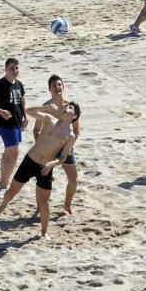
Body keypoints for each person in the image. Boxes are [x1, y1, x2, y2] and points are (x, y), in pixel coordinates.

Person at [0, 102, 80, 238]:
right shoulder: (50, 120)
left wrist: (53, 163)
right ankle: (2, 206)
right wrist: (44, 108)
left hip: (45, 167)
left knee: (44, 202)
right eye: (66, 106)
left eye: (70, 108)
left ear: (74, 115)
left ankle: (44, 232)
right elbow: (29, 111)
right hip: (30, 161)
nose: (66, 108)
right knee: (12, 191)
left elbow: (63, 157)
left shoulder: (70, 136)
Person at [33, 75, 82, 215]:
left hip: (65, 148)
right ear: (49, 89)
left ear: (63, 86)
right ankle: (39, 208)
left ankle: (67, 205)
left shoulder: (70, 107)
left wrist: (70, 145)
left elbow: (77, 130)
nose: (57, 87)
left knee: (73, 179)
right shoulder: (46, 107)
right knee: (42, 181)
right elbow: (36, 130)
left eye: (59, 85)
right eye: (54, 85)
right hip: (48, 150)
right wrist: (41, 146)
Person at [0, 58, 27, 189]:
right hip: (5, 124)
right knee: (14, 152)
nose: (14, 71)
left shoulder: (19, 84)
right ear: (6, 69)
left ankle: (3, 180)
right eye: (11, 68)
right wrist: (0, 111)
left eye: (16, 68)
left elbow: (22, 102)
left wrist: (25, 118)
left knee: (8, 152)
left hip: (17, 123)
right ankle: (4, 183)